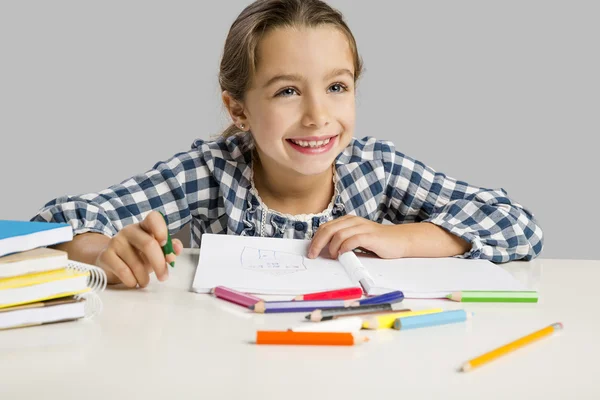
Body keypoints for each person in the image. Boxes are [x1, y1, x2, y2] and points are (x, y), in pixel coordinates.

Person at [31, 0, 544, 288]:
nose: (318, 116)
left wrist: (407, 238)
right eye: (288, 91)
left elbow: (518, 223)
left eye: (337, 87)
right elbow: (52, 224)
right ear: (238, 110)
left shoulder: (377, 168)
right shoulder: (211, 172)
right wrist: (101, 251)